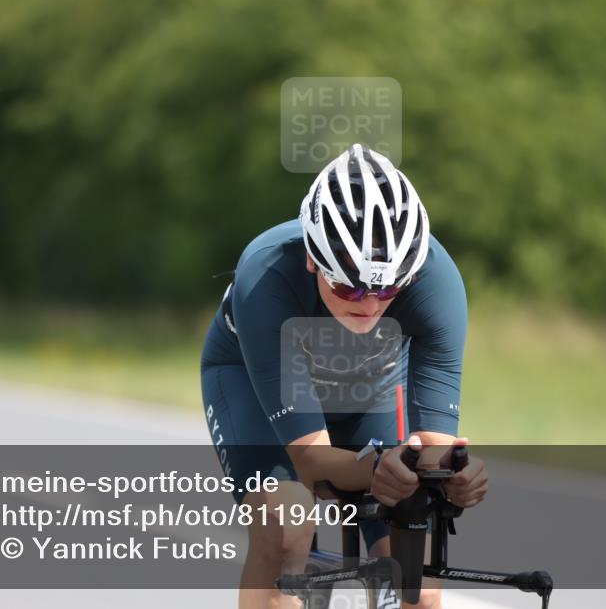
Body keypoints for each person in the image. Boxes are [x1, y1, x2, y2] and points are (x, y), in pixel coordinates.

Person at [201, 144, 488, 608]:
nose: (369, 304)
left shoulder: (437, 282)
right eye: (347, 285)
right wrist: (379, 468)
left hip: (371, 380)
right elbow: (311, 460)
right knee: (287, 531)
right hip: (252, 382)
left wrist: (450, 477)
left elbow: (433, 446)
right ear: (313, 260)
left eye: (387, 288)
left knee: (417, 577)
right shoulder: (266, 276)